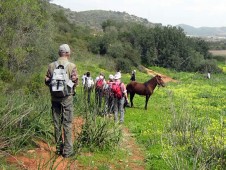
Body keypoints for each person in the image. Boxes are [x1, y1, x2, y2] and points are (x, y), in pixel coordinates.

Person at [45, 44, 78, 158]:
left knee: (56, 123)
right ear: (68, 53)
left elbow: (47, 81)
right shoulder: (71, 66)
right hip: (67, 98)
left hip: (54, 99)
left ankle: (59, 148)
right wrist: (68, 89)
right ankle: (68, 151)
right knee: (67, 124)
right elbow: (74, 81)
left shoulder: (51, 65)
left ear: (59, 53)